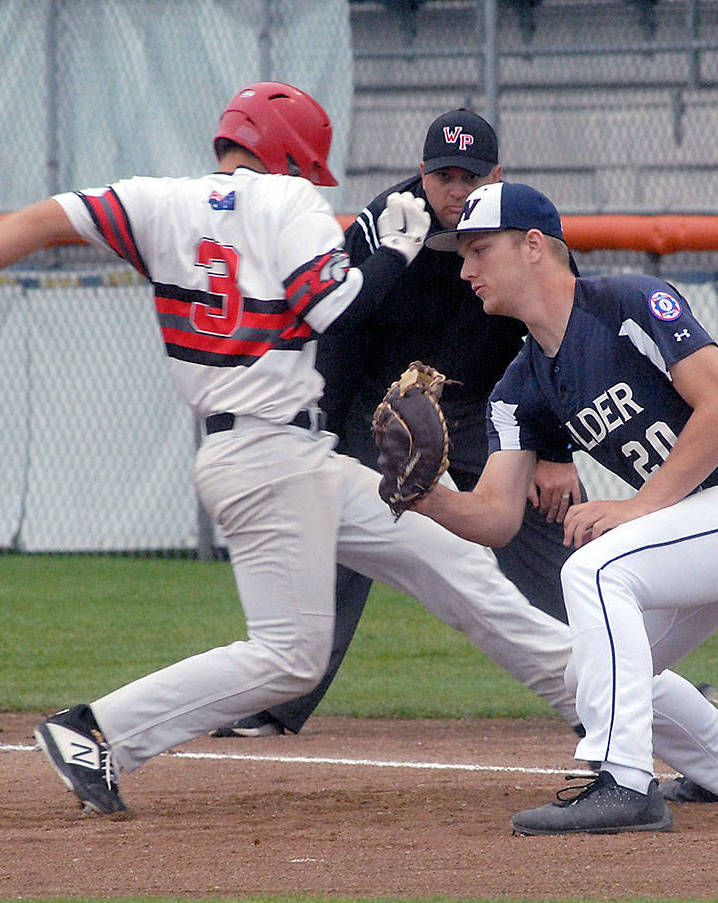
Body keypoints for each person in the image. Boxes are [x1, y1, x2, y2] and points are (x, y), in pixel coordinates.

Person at [0, 82, 584, 815]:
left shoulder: (157, 201)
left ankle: (627, 710)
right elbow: (335, 308)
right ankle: (96, 731)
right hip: (273, 457)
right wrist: (392, 253)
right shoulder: (286, 202)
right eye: (305, 168)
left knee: (461, 567)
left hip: (283, 456)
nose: (308, 182)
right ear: (290, 156)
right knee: (290, 657)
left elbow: (46, 218)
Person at [412, 182, 718, 835]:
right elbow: (494, 515)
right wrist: (425, 496)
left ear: (535, 246)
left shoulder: (625, 302)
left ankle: (623, 782)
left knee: (595, 572)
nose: (466, 270)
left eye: (480, 249)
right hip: (699, 521)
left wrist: (640, 507)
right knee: (589, 669)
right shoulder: (523, 383)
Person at [213, 107, 585, 739]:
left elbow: (553, 338)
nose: (457, 190)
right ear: (421, 172)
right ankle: (277, 703)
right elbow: (337, 324)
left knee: (548, 535)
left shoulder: (523, 232)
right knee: (341, 542)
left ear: (496, 175)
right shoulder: (385, 222)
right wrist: (325, 426)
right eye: (444, 175)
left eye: (471, 176)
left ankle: (627, 680)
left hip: (480, 407)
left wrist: (553, 448)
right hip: (380, 406)